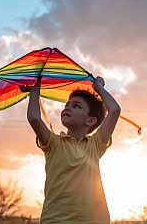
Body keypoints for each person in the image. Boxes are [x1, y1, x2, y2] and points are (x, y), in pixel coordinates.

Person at [21, 76, 121, 224]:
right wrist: (34, 91)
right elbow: (34, 118)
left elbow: (114, 110)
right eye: (67, 105)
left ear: (90, 120)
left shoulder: (95, 145)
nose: (67, 107)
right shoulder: (53, 143)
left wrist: (98, 87)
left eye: (76, 106)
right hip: (54, 220)